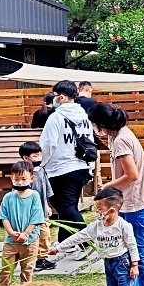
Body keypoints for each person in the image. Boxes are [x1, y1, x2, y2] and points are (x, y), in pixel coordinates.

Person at [88, 103, 144, 286]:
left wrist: (106, 189)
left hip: (136, 203)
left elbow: (132, 175)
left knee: (137, 252)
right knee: (129, 252)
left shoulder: (120, 140)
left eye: (94, 125)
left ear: (101, 125)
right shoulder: (118, 135)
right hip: (131, 201)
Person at [49, 187, 139, 286]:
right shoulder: (96, 226)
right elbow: (79, 236)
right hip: (108, 264)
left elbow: (132, 245)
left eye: (99, 209)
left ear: (111, 210)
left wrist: (134, 265)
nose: (97, 212)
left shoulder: (123, 226)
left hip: (122, 263)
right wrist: (58, 248)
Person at [39, 80, 95, 244]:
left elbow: (48, 145)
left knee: (64, 206)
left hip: (60, 169)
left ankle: (86, 242)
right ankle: (65, 242)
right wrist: (90, 167)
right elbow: (90, 141)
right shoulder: (84, 116)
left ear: (62, 97)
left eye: (55, 96)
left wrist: (40, 164)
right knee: (70, 206)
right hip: (82, 167)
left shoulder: (55, 118)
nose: (54, 99)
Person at [0, 161, 45, 286]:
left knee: (27, 270)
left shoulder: (34, 196)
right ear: (11, 178)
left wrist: (26, 234)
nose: (20, 182)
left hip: (30, 241)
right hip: (11, 241)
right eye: (16, 179)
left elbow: (36, 217)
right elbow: (4, 217)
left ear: (31, 178)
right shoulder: (8, 197)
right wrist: (11, 232)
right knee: (6, 270)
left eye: (23, 178)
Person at [19, 141, 55, 271]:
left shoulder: (42, 171)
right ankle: (31, 259)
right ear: (26, 158)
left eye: (40, 155)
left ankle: (41, 258)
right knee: (32, 236)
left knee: (45, 235)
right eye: (35, 155)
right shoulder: (23, 175)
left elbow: (46, 190)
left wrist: (47, 205)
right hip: (30, 213)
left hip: (42, 211)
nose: (39, 158)